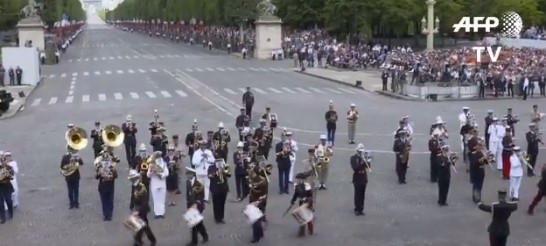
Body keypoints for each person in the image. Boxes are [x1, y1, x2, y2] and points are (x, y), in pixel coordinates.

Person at [129, 169, 157, 246]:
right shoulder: (134, 186)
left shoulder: (141, 187)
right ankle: (140, 240)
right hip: (137, 208)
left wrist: (138, 210)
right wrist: (131, 206)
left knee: (143, 225)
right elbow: (133, 197)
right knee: (142, 225)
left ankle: (140, 241)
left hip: (143, 209)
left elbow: (145, 201)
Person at [185, 167, 209, 245]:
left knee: (194, 225)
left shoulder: (199, 183)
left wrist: (196, 204)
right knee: (198, 223)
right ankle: (205, 235)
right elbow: (188, 194)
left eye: (189, 174)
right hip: (191, 206)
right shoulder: (188, 182)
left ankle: (194, 242)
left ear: (193, 175)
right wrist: (188, 204)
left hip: (198, 206)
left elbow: (201, 196)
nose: (188, 176)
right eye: (187, 174)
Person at [146, 151, 169, 218]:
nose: (158, 158)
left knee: (162, 198)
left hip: (162, 183)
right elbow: (148, 175)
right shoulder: (151, 164)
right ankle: (157, 213)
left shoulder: (164, 164)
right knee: (156, 199)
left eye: (159, 156)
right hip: (154, 183)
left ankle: (161, 213)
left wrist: (160, 174)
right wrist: (151, 172)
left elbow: (167, 173)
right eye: (157, 156)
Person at [208, 159, 230, 223]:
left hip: (223, 188)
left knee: (222, 203)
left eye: (220, 161)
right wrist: (215, 173)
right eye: (218, 161)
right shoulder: (211, 167)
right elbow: (209, 176)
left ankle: (221, 217)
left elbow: (229, 175)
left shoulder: (225, 166)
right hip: (215, 188)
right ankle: (216, 217)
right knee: (216, 203)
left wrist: (223, 171)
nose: (219, 163)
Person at [350, 144, 370, 216]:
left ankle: (361, 208)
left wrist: (367, 160)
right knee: (357, 194)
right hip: (357, 177)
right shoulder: (353, 158)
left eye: (362, 151)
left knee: (362, 194)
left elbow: (368, 167)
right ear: (357, 151)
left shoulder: (364, 157)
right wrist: (362, 162)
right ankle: (357, 208)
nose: (361, 152)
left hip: (363, 177)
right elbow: (355, 168)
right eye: (360, 151)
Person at [0, 154, 14, 224]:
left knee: (9, 201)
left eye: (4, 161)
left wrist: (7, 174)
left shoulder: (9, 167)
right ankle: (2, 218)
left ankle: (10, 214)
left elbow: (12, 177)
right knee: (0, 203)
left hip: (7, 186)